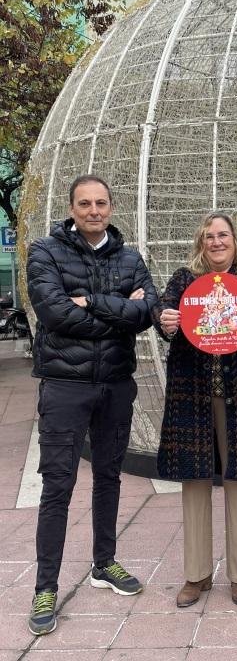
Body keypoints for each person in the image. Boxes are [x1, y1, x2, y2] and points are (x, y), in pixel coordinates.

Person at [26, 175, 157, 635]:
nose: (94, 211)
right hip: (65, 387)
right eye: (85, 203)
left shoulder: (129, 257)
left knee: (108, 477)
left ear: (111, 206)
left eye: (101, 203)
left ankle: (105, 562)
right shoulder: (45, 251)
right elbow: (54, 313)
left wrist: (94, 302)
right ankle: (46, 587)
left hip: (116, 385)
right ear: (72, 207)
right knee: (57, 485)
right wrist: (120, 309)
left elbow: (150, 313)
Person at [154, 212, 237, 608]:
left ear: (235, 241)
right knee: (193, 481)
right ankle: (197, 574)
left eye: (223, 235)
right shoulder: (183, 280)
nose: (216, 241)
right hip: (192, 395)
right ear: (200, 243)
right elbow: (162, 314)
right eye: (209, 236)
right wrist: (165, 319)